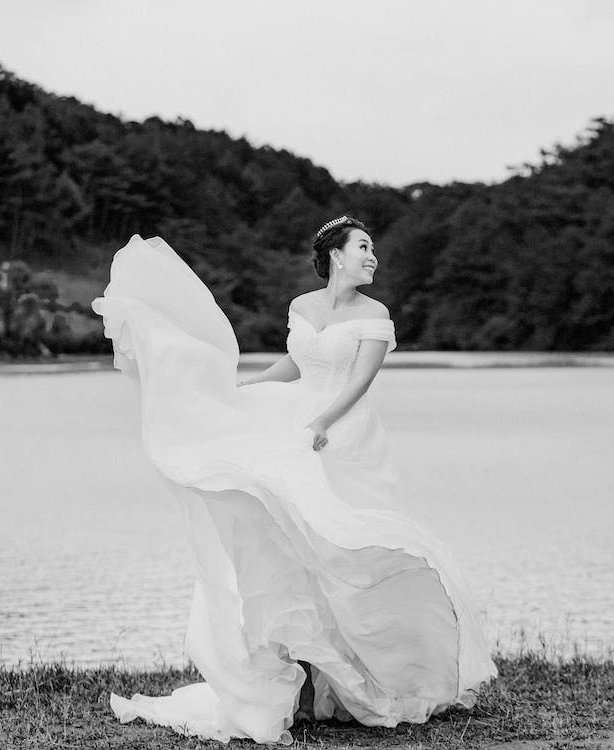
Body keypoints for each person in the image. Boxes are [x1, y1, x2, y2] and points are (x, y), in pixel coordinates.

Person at [91, 216, 496, 744]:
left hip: (344, 436)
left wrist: (325, 422)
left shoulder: (376, 315)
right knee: (286, 549)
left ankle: (370, 678)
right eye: (364, 247)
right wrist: (243, 391)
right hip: (292, 425)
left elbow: (359, 380)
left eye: (373, 249)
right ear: (336, 255)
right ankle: (302, 686)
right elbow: (294, 363)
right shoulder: (302, 306)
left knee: (345, 554)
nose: (373, 257)